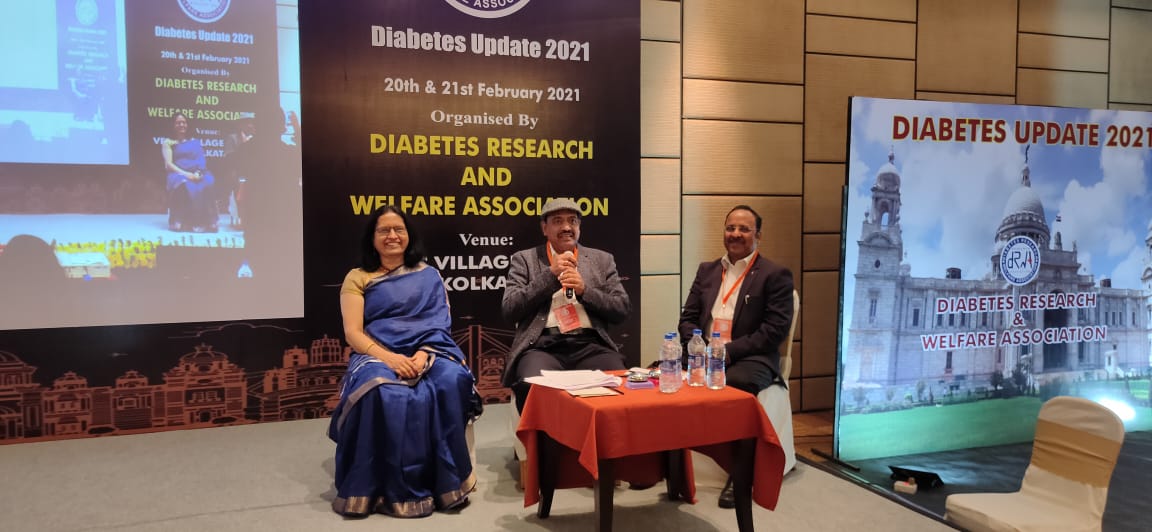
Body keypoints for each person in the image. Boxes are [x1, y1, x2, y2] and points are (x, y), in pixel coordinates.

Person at [329, 205, 480, 518]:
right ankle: (379, 488)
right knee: (382, 391)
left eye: (399, 229)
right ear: (372, 238)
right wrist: (391, 359)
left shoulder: (429, 275)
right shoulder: (358, 277)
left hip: (429, 349)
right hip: (375, 352)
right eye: (384, 230)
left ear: (409, 236)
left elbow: (438, 324)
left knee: (450, 380)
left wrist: (424, 353)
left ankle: (447, 482)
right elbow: (353, 333)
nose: (392, 236)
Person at [678, 204, 794, 509]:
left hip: (749, 357)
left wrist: (726, 353)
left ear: (758, 235)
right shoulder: (707, 270)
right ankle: (672, 468)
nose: (736, 234)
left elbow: (774, 331)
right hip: (705, 352)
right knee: (661, 375)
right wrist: (699, 346)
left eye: (744, 229)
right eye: (731, 228)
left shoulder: (774, 275)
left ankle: (739, 475)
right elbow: (687, 318)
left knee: (735, 387)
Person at [502, 197, 630, 412]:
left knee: (618, 383)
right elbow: (510, 309)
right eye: (558, 221)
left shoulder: (602, 260)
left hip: (590, 346)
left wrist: (585, 291)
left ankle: (599, 434)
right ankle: (541, 435)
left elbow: (621, 309)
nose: (567, 227)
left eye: (573, 221)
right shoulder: (524, 259)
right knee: (531, 385)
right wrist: (550, 276)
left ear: (579, 227)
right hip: (541, 347)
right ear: (544, 228)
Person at [162, 112, 217, 232]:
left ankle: (208, 221)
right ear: (173, 125)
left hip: (197, 172)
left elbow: (201, 160)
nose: (181, 125)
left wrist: (198, 173)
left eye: (184, 122)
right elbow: (169, 165)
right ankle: (179, 221)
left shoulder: (195, 141)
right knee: (184, 184)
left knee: (208, 181)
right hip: (178, 173)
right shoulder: (168, 142)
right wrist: (187, 175)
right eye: (178, 123)